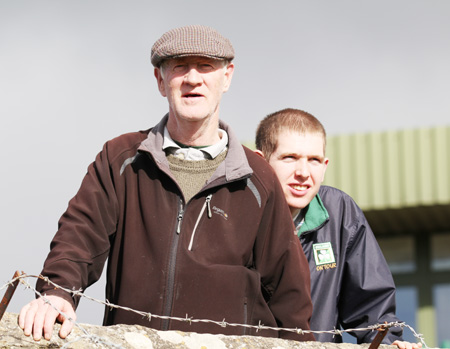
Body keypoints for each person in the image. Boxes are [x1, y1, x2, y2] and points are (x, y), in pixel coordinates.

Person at [18, 26, 315, 342]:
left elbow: (288, 292)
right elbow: (80, 235)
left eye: (205, 66)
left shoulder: (259, 179)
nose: (192, 78)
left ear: (226, 77)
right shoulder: (121, 159)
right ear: (160, 81)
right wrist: (58, 292)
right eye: (179, 66)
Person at [255, 108, 421, 348]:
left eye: (313, 160)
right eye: (289, 157)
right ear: (261, 162)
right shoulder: (236, 212)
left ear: (325, 166)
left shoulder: (340, 212)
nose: (303, 173)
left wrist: (387, 343)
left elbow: (371, 303)